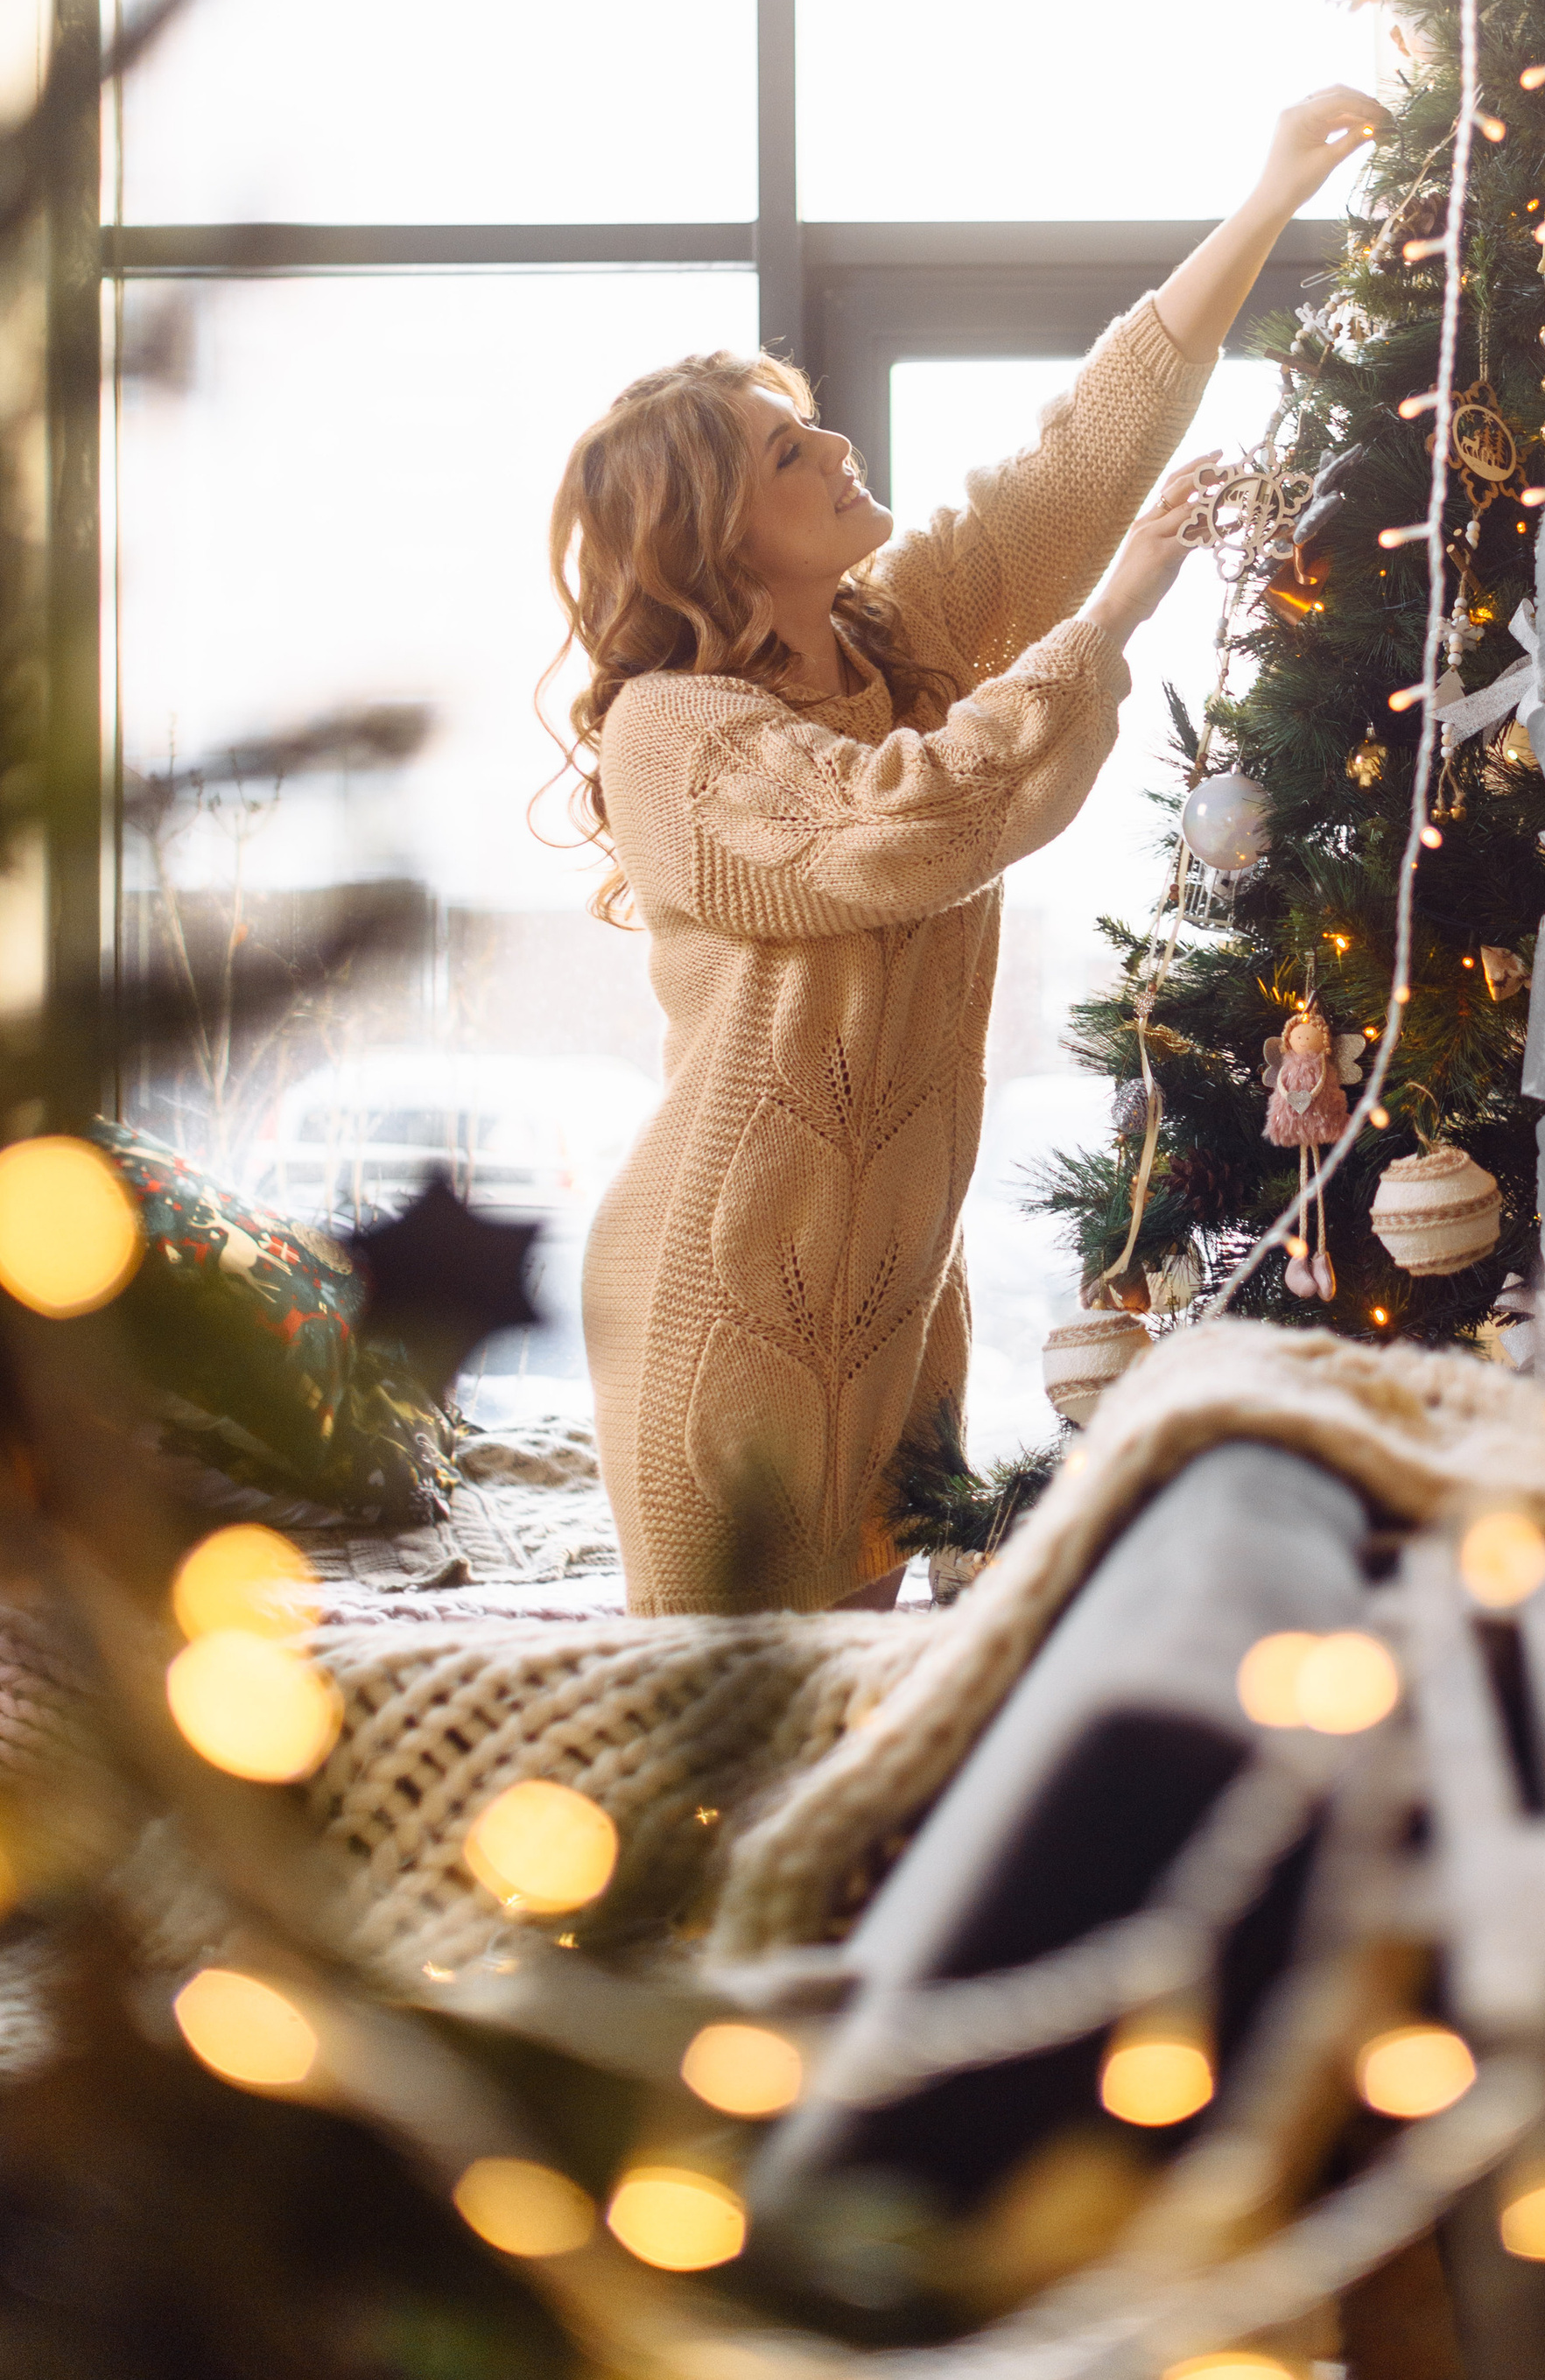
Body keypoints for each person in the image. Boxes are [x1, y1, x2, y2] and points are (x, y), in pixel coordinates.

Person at [547, 89, 1384, 1614]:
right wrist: (1110, 618)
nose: (835, 444)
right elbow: (902, 823)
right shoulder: (672, 731)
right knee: (752, 1732)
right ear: (720, 534)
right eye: (789, 452)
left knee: (880, 1713)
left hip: (898, 1309)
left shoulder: (891, 645)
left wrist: (1266, 198)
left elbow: (1072, 467)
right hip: (722, 1306)